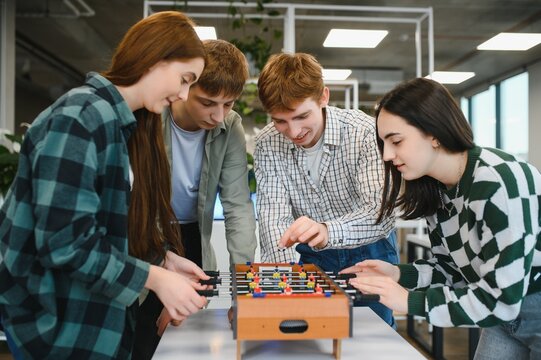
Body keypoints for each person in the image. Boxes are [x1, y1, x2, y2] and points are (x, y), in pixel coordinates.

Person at [0, 11, 210, 359]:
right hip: (56, 322)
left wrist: (162, 259)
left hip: (92, 317)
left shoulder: (122, 124)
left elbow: (103, 227)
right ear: (154, 59)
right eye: (184, 78)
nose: (184, 95)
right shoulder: (80, 117)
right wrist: (155, 278)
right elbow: (64, 243)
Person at [342, 77, 541, 359]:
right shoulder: (437, 191)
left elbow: (501, 298)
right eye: (384, 143)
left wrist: (408, 300)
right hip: (501, 315)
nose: (387, 155)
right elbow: (451, 271)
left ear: (434, 133)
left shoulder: (499, 181)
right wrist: (399, 274)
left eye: (396, 140)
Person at [133, 39, 258, 359]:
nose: (218, 115)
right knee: (142, 331)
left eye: (229, 104)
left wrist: (242, 291)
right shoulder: (149, 116)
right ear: (186, 86)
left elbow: (237, 207)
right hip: (144, 232)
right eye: (208, 102)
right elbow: (134, 203)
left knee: (186, 338)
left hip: (193, 239)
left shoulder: (230, 127)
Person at [254, 52, 398, 327]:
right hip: (314, 256)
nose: (293, 131)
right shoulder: (267, 143)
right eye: (280, 121)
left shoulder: (363, 132)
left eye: (301, 116)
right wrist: (280, 285)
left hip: (371, 252)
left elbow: (381, 213)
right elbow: (273, 218)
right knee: (313, 337)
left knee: (376, 339)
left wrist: (328, 230)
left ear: (323, 97)